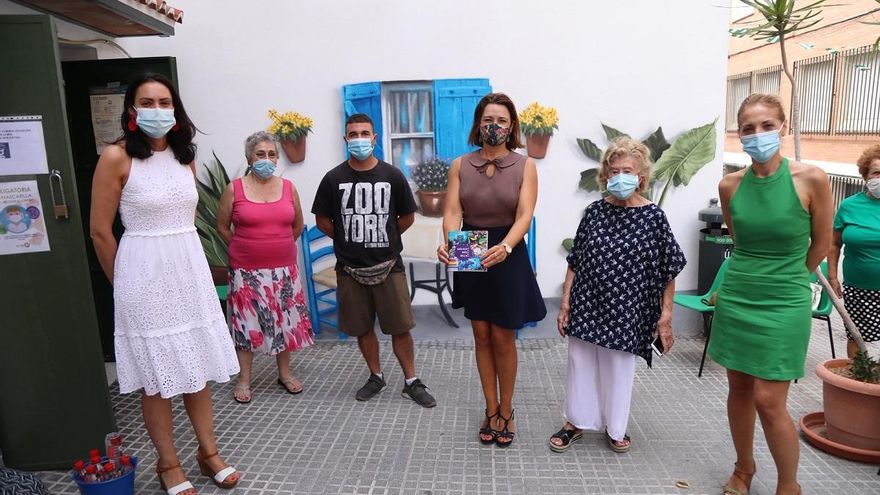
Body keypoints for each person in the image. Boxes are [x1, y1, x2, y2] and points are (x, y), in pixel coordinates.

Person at [90, 73, 241, 495]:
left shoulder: (183, 156)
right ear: (132, 111)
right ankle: (168, 463)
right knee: (157, 378)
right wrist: (121, 285)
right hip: (142, 275)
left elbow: (188, 220)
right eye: (147, 102)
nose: (157, 109)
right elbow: (100, 232)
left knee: (197, 371)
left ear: (175, 110)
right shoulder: (116, 157)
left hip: (186, 271)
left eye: (164, 102)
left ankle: (208, 453)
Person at [708, 93, 833, 495]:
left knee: (769, 399)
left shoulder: (811, 178)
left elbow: (822, 242)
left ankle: (789, 485)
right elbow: (740, 239)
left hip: (786, 298)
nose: (757, 135)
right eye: (748, 128)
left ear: (783, 127)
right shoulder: (730, 185)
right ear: (739, 135)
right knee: (739, 389)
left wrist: (793, 276)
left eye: (766, 126)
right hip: (739, 292)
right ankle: (743, 468)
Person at [549, 137, 685, 454]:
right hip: (587, 303)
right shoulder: (595, 212)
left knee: (618, 368)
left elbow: (670, 269)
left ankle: (616, 427)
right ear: (606, 176)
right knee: (580, 363)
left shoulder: (654, 218)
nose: (619, 176)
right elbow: (575, 262)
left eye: (627, 170)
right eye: (614, 171)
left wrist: (666, 316)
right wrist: (565, 303)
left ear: (640, 176)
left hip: (628, 310)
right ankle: (575, 422)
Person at [437, 93, 546, 448]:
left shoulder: (525, 165)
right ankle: (490, 407)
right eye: (488, 120)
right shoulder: (460, 165)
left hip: (507, 248)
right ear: (478, 124)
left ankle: (508, 410)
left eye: (500, 120)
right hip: (471, 244)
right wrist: (451, 242)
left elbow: (525, 214)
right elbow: (453, 210)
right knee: (480, 334)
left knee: (503, 337)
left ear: (511, 126)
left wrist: (507, 247)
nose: (493, 126)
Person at [311, 113, 437, 408]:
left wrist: (385, 235)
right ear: (345, 140)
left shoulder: (392, 176)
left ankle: (411, 381)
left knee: (400, 327)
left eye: (364, 133)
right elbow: (321, 220)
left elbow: (406, 217)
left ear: (375, 138)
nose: (359, 139)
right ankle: (375, 376)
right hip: (349, 269)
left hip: (388, 266)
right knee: (362, 327)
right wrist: (346, 238)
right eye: (353, 134)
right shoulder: (333, 179)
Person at [216, 131, 314, 404]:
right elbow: (222, 226)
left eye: (272, 154)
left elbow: (297, 225)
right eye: (261, 154)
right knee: (246, 324)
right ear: (249, 157)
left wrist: (276, 244)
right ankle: (244, 379)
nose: (267, 159)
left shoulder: (288, 187)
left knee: (284, 321)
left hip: (284, 269)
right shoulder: (233, 189)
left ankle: (285, 373)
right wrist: (245, 245)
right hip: (246, 270)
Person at [828, 144, 880, 358]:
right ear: (865, 175)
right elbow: (833, 244)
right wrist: (832, 276)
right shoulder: (849, 206)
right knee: (857, 337)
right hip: (859, 289)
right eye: (876, 172)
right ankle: (859, 382)